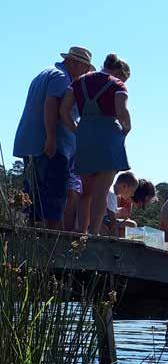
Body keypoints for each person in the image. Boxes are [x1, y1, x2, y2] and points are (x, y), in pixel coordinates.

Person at [13, 46, 94, 229]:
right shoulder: (61, 78)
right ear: (74, 62)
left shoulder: (46, 73)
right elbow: (51, 105)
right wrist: (51, 139)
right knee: (55, 196)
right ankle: (51, 243)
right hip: (48, 147)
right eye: (84, 68)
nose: (84, 73)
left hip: (31, 142)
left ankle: (34, 234)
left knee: (34, 197)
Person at [60, 53, 132, 235]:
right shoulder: (117, 85)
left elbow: (64, 110)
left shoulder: (78, 82)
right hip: (108, 139)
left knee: (86, 193)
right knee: (101, 192)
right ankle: (94, 234)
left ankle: (82, 232)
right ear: (119, 72)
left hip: (85, 137)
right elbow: (122, 113)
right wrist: (125, 130)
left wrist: (76, 130)